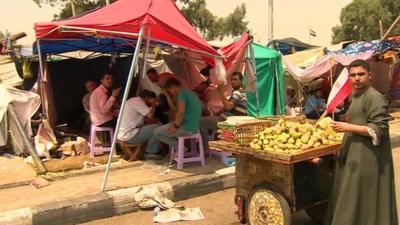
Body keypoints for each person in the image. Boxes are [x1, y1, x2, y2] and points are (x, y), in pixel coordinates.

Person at [325, 59, 398, 225]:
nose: (356, 78)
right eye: (353, 75)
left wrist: (347, 126)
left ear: (370, 75)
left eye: (361, 74)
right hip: (354, 153)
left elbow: (378, 129)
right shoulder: (356, 95)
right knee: (352, 197)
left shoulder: (375, 97)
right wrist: (349, 121)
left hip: (367, 157)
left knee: (360, 196)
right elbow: (361, 118)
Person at [200, 71, 247, 151]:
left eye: (235, 80)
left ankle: (206, 148)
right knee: (207, 120)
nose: (232, 82)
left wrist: (219, 93)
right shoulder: (241, 93)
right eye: (232, 79)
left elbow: (228, 106)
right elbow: (224, 108)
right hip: (226, 120)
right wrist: (215, 114)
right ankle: (213, 144)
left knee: (200, 121)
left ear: (241, 81)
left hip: (226, 122)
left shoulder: (237, 93)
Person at [153, 78, 202, 150]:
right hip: (195, 128)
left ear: (173, 87)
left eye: (170, 91)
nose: (171, 93)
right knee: (168, 127)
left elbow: (180, 112)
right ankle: (180, 149)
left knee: (156, 132)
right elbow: (177, 109)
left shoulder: (182, 94)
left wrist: (175, 126)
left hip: (187, 128)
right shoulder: (191, 93)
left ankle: (181, 148)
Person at [117, 89, 161, 159]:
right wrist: (153, 104)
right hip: (129, 135)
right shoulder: (138, 102)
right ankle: (150, 152)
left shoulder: (133, 101)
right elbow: (150, 115)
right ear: (147, 98)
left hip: (123, 134)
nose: (148, 104)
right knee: (158, 128)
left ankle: (150, 150)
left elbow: (143, 119)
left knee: (153, 126)